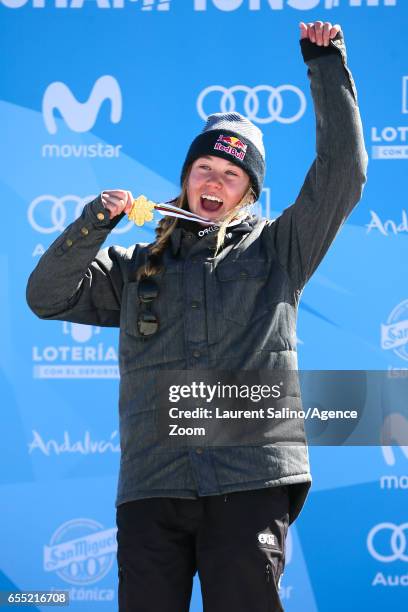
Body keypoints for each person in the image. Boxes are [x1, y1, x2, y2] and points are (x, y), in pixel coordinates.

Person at [26, 20, 368, 612]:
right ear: (185, 181)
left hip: (248, 482)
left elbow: (344, 172)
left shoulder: (279, 250)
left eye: (232, 175)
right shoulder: (134, 266)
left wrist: (326, 65)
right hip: (152, 487)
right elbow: (46, 295)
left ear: (249, 192)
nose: (215, 182)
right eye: (204, 170)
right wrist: (93, 224)